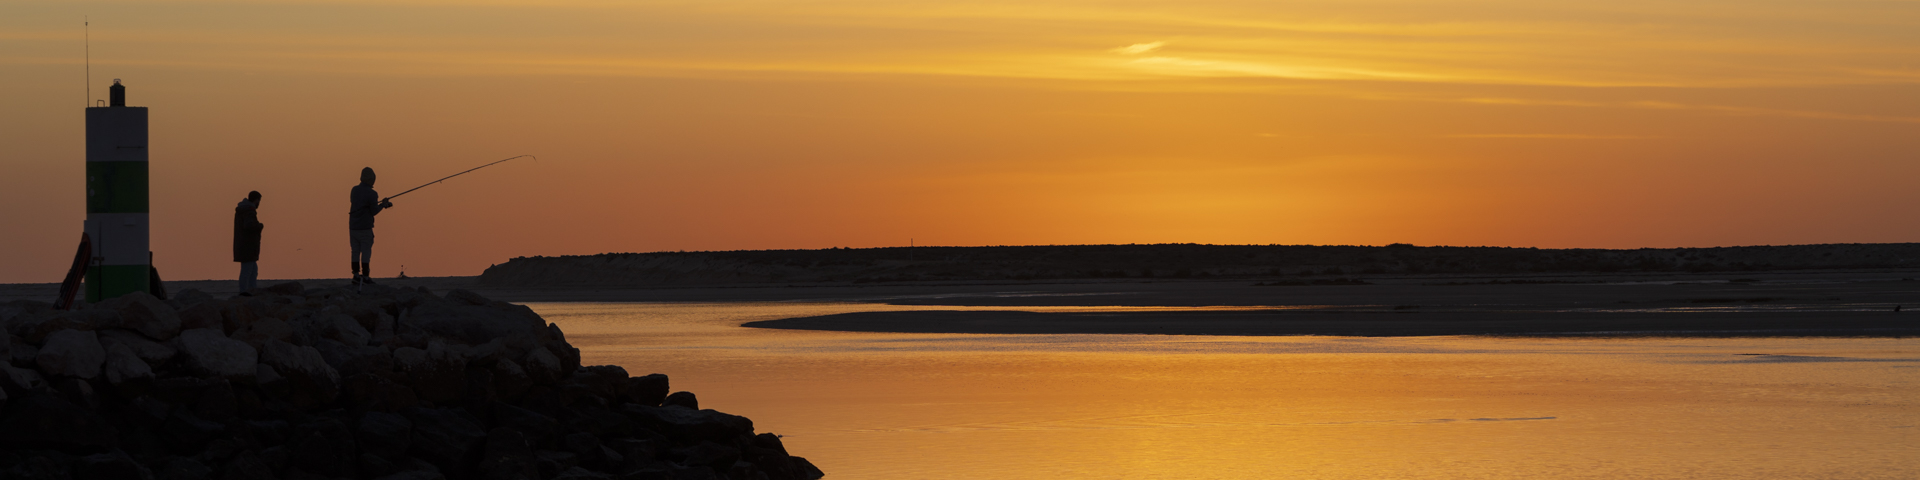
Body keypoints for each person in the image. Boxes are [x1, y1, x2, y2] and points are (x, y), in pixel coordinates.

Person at [349, 167, 394, 285]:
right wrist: (383, 205)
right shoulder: (372, 193)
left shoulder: (354, 190)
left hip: (353, 227)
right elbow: (374, 211)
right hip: (365, 228)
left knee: (355, 251)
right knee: (366, 252)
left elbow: (360, 204)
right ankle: (366, 276)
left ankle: (355, 275)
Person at [233, 191, 264, 294]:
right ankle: (244, 292)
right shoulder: (249, 211)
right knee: (247, 271)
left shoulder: (243, 210)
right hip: (248, 246)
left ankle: (251, 290)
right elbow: (249, 225)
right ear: (256, 200)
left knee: (253, 270)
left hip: (244, 245)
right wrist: (260, 226)